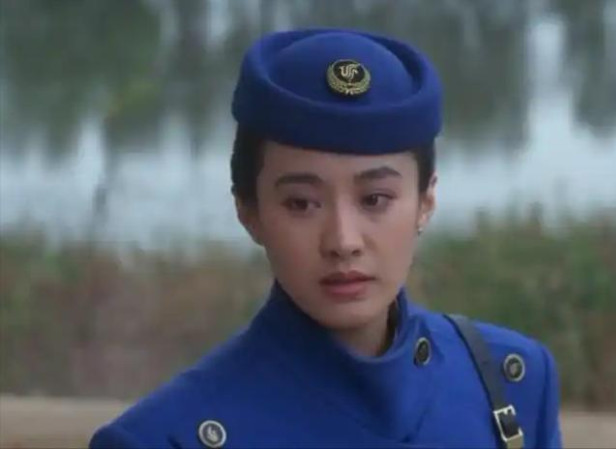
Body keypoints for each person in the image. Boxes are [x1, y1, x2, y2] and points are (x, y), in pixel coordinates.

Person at [90, 28, 562, 448]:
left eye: (374, 199)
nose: (343, 241)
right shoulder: (164, 438)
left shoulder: (508, 384)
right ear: (249, 211)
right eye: (302, 204)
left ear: (426, 200)